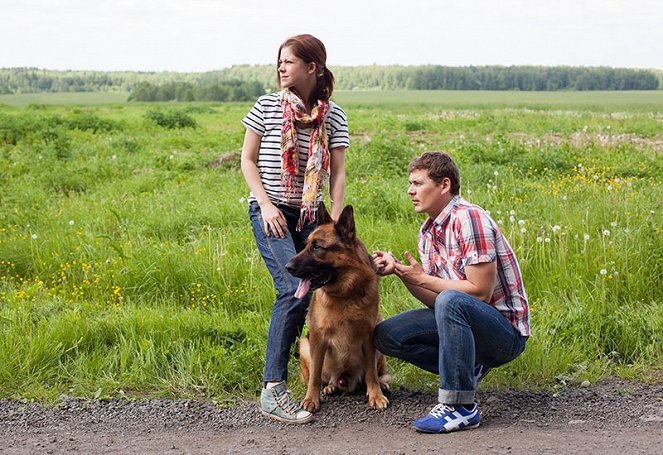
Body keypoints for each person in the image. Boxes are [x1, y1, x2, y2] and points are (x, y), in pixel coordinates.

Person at [372, 151, 529, 433]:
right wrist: (403, 273)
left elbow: (479, 292)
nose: (410, 191)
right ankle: (467, 370)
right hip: (464, 320)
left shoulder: (469, 219)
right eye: (410, 184)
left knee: (452, 299)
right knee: (386, 336)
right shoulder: (428, 232)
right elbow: (438, 302)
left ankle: (461, 406)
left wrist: (423, 278)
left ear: (444, 185)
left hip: (504, 334)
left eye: (418, 184)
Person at [240, 34, 349, 424]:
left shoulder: (333, 116)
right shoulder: (266, 106)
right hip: (269, 211)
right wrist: (266, 204)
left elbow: (337, 173)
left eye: (289, 61)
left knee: (319, 288)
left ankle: (333, 369)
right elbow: (248, 161)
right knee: (292, 288)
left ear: (312, 67)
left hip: (309, 215)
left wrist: (333, 218)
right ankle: (273, 389)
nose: (281, 67)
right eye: (280, 61)